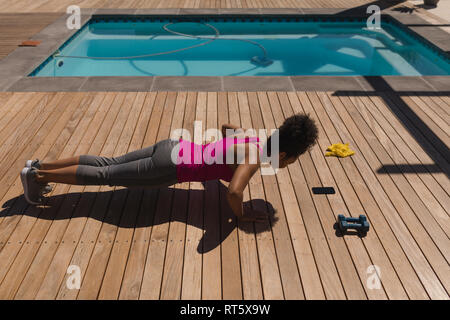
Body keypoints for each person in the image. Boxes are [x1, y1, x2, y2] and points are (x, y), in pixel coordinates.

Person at [20, 113, 318, 223]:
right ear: (283, 155)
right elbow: (235, 193)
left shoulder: (252, 136)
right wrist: (241, 215)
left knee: (107, 162)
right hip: (170, 167)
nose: (289, 164)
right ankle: (37, 176)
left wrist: (213, 163)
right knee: (106, 175)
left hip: (171, 147)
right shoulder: (254, 158)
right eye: (292, 160)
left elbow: (227, 126)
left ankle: (39, 164)